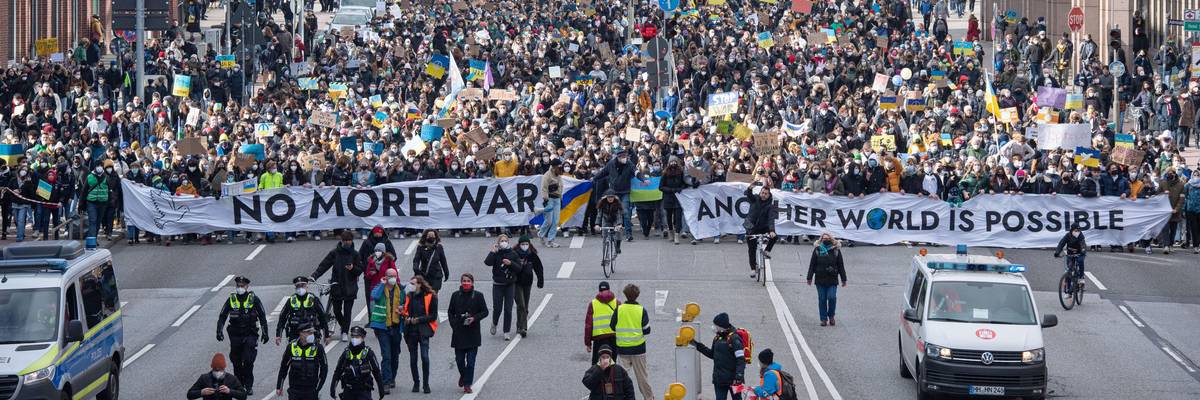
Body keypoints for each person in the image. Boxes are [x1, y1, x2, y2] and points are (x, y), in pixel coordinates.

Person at [215, 276, 269, 395]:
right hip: (235, 335)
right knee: (236, 362)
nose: (240, 288)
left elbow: (262, 316)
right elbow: (222, 316)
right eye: (238, 286)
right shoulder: (231, 299)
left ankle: (248, 386)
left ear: (247, 286)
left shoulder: (254, 299)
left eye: (242, 286)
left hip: (250, 334)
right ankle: (239, 385)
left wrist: (265, 332)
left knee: (248, 361)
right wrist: (219, 330)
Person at [313, 231, 364, 341]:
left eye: (349, 240)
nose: (347, 242)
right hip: (337, 286)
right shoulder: (334, 253)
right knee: (336, 311)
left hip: (350, 287)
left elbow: (360, 270)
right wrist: (314, 276)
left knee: (348, 311)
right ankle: (344, 326)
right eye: (345, 240)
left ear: (352, 241)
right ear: (341, 240)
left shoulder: (355, 254)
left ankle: (344, 332)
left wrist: (353, 268)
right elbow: (324, 265)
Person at [609, 284, 653, 400]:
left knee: (621, 377)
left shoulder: (619, 309)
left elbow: (612, 326)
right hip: (638, 349)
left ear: (625, 295)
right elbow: (647, 330)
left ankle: (620, 397)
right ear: (637, 295)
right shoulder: (641, 310)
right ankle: (649, 397)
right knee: (642, 378)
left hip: (622, 349)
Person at [447, 273, 489, 393]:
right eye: (464, 281)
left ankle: (467, 384)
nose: (466, 283)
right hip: (459, 333)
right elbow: (450, 312)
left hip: (472, 333)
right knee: (459, 360)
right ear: (461, 282)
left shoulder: (478, 296)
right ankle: (463, 375)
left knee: (471, 362)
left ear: (472, 283)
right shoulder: (455, 295)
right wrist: (454, 324)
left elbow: (485, 311)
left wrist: (474, 318)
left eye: (468, 281)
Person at [691, 313, 746, 400]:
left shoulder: (734, 338)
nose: (714, 327)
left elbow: (741, 360)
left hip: (734, 380)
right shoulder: (717, 338)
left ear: (721, 326)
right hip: (719, 380)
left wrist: (739, 376)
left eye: (715, 325)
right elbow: (712, 354)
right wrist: (697, 345)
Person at [368, 268, 405, 394]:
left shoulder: (401, 289)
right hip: (383, 327)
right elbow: (374, 296)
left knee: (395, 355)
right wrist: (382, 284)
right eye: (390, 276)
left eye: (395, 275)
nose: (393, 278)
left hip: (396, 327)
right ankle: (386, 382)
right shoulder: (380, 287)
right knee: (386, 355)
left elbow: (406, 304)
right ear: (385, 277)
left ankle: (392, 377)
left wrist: (402, 308)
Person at [402, 275, 438, 393]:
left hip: (424, 331)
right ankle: (416, 383)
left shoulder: (430, 296)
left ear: (420, 284)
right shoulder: (409, 296)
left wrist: (418, 320)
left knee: (425, 357)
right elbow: (405, 312)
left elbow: (433, 316)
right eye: (410, 283)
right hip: (411, 331)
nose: (411, 286)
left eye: (413, 283)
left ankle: (426, 384)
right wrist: (406, 317)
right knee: (413, 359)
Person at [330, 326, 385, 400]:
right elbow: (338, 371)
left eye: (357, 337)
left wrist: (381, 389)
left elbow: (376, 372)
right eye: (353, 336)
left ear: (363, 338)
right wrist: (333, 388)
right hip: (348, 390)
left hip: (363, 391)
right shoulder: (346, 353)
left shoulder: (368, 353)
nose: (354, 339)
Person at [593, 149, 637, 241]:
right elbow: (602, 173)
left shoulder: (629, 164)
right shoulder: (611, 164)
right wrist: (593, 178)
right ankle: (611, 230)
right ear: (618, 157)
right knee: (611, 211)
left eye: (626, 157)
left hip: (625, 192)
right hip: (613, 193)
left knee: (625, 212)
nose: (625, 158)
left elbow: (636, 172)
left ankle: (628, 234)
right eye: (623, 157)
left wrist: (644, 179)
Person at [276, 323, 328, 400]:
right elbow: (284, 368)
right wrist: (279, 386)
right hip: (294, 390)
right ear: (301, 333)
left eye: (312, 333)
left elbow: (324, 368)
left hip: (311, 390)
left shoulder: (318, 348)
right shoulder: (291, 347)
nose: (312, 335)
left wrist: (318, 388)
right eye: (309, 333)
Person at [484, 234, 521, 340]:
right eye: (501, 241)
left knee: (508, 309)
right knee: (497, 308)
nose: (503, 242)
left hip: (510, 285)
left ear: (508, 242)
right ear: (498, 243)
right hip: (498, 285)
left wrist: (510, 263)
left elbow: (519, 268)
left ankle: (506, 331)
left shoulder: (513, 253)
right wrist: (492, 251)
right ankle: (494, 323)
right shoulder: (496, 253)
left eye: (505, 241)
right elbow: (487, 263)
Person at [806, 233, 848, 326]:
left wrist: (843, 279)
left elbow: (841, 265)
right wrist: (809, 277)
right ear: (821, 240)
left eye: (828, 238)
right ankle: (823, 319)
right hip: (820, 278)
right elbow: (812, 264)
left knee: (832, 297)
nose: (826, 240)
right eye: (824, 238)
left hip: (832, 279)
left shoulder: (836, 250)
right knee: (822, 299)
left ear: (831, 239)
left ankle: (831, 315)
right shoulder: (817, 250)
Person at [276, 276, 330, 344]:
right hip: (294, 334)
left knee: (316, 350)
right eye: (298, 286)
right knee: (290, 350)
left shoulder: (313, 299)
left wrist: (326, 335)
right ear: (295, 288)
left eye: (302, 285)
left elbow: (322, 317)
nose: (300, 288)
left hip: (312, 333)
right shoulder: (291, 300)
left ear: (307, 286)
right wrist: (278, 335)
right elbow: (282, 318)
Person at [744, 184, 778, 280]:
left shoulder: (770, 206)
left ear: (769, 195)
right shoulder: (754, 199)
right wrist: (750, 188)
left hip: (763, 227)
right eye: (762, 193)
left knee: (774, 236)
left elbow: (771, 219)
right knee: (752, 248)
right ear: (760, 193)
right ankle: (753, 268)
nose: (763, 195)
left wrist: (772, 231)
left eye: (766, 194)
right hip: (751, 227)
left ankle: (767, 251)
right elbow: (748, 195)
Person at [513, 235, 545, 337]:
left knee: (525, 306)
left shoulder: (532, 255)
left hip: (527, 283)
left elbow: (539, 268)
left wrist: (540, 280)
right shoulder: (514, 254)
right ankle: (523, 328)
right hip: (516, 283)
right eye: (522, 244)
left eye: (526, 244)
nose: (524, 246)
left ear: (529, 244)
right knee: (521, 305)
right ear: (519, 244)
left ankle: (520, 325)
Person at [584, 281, 620, 365]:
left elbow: (588, 325)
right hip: (613, 338)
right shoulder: (617, 302)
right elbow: (621, 322)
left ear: (599, 291)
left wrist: (588, 343)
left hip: (598, 339)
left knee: (596, 365)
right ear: (609, 290)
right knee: (612, 364)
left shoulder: (593, 304)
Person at [538, 158, 564, 247]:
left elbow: (561, 187)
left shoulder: (559, 175)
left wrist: (561, 198)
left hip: (557, 199)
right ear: (553, 167)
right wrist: (545, 199)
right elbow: (544, 188)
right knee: (549, 221)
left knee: (556, 221)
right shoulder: (547, 175)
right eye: (558, 167)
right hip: (549, 199)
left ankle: (550, 240)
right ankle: (541, 234)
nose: (560, 169)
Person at [83, 163, 109, 239]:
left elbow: (111, 190)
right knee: (93, 221)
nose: (99, 167)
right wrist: (81, 204)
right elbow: (84, 191)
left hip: (102, 203)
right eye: (97, 165)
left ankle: (94, 237)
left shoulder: (106, 177)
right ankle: (92, 240)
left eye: (100, 165)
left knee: (98, 222)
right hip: (91, 202)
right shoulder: (90, 177)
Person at [595, 191, 624, 255]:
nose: (610, 198)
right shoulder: (602, 203)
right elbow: (599, 215)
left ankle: (618, 246)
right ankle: (604, 254)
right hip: (606, 220)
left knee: (619, 231)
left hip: (615, 219)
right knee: (604, 236)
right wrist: (597, 224)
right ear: (606, 197)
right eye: (609, 197)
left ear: (614, 197)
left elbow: (619, 215)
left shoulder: (617, 203)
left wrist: (619, 224)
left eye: (612, 197)